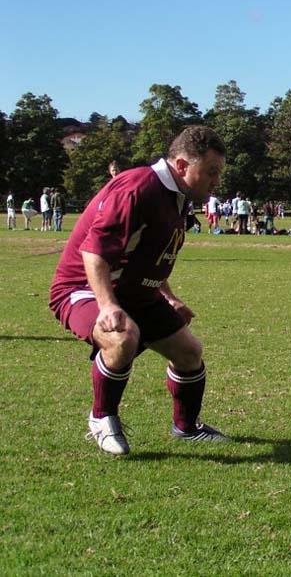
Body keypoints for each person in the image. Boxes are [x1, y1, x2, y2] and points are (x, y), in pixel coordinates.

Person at [49, 125, 229, 455]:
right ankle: (102, 417)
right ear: (181, 166)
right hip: (84, 287)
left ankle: (187, 428)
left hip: (135, 291)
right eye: (211, 172)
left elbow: (150, 256)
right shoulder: (138, 188)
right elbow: (93, 251)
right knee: (122, 337)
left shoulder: (178, 195)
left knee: (189, 352)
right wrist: (107, 305)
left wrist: (168, 297)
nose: (216, 181)